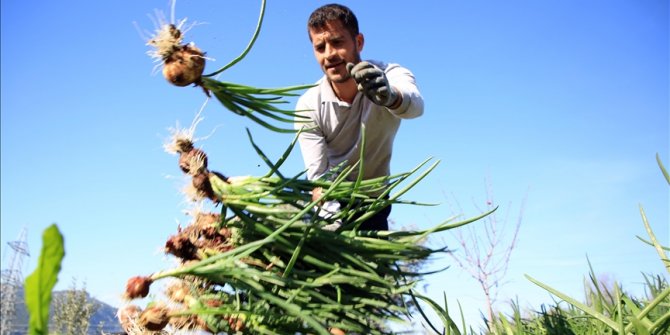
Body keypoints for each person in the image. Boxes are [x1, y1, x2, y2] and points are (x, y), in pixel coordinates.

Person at [295, 3, 424, 231]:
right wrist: (333, 227)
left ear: (359, 42)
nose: (329, 55)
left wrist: (390, 96)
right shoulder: (308, 105)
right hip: (332, 201)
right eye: (320, 47)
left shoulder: (390, 75)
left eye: (337, 42)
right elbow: (318, 178)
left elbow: (415, 107)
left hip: (374, 201)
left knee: (376, 264)